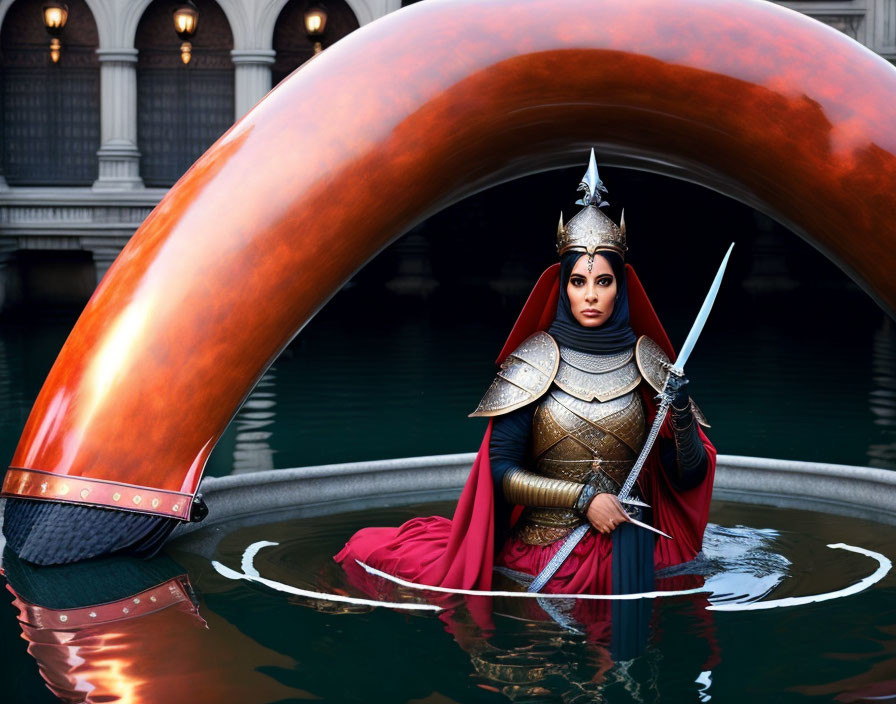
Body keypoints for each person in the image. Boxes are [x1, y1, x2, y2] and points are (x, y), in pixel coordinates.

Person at [335, 151, 716, 597]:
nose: (590, 295)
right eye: (578, 282)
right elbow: (500, 471)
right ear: (562, 287)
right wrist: (583, 500)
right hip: (548, 546)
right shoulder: (534, 361)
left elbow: (686, 477)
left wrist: (684, 413)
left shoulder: (652, 364)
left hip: (637, 547)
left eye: (603, 282)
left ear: (621, 287)